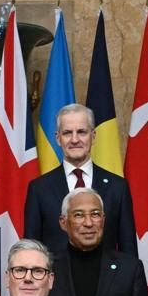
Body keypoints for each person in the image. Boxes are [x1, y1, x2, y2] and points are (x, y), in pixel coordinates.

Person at [23, 104, 136, 254]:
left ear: (93, 136)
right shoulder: (39, 188)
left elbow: (128, 249)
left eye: (82, 132)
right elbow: (31, 250)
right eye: (67, 133)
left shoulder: (118, 187)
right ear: (58, 138)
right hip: (57, 276)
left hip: (106, 276)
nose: (75, 140)